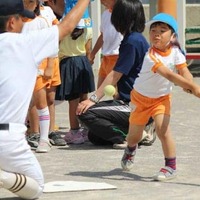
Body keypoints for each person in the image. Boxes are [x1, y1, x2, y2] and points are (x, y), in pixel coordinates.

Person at [0, 0, 91, 199]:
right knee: (36, 187)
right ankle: (2, 177)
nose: (25, 23)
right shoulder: (26, 43)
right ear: (11, 23)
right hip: (8, 137)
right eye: (21, 19)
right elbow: (67, 26)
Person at [120, 13, 200, 181]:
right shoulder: (150, 56)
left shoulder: (176, 51)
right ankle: (130, 150)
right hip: (140, 99)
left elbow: (183, 70)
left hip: (161, 99)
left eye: (162, 30)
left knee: (163, 130)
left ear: (172, 36)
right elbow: (169, 75)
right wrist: (192, 87)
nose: (156, 33)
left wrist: (189, 82)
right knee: (134, 136)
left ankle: (170, 166)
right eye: (153, 30)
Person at [77, 0, 156, 149]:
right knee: (94, 135)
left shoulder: (132, 42)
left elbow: (115, 74)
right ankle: (137, 130)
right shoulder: (134, 38)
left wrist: (93, 99)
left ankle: (131, 136)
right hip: (131, 103)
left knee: (85, 113)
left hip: (135, 106)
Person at [55, 2, 95, 144]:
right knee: (84, 98)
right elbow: (89, 50)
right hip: (83, 62)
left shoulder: (63, 31)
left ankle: (74, 131)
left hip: (68, 63)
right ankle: (85, 128)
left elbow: (57, 47)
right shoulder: (88, 30)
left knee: (73, 101)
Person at [89, 0, 123, 88]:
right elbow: (102, 36)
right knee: (100, 89)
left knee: (114, 91)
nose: (102, 1)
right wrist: (92, 54)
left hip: (117, 56)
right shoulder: (105, 14)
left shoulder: (124, 14)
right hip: (105, 58)